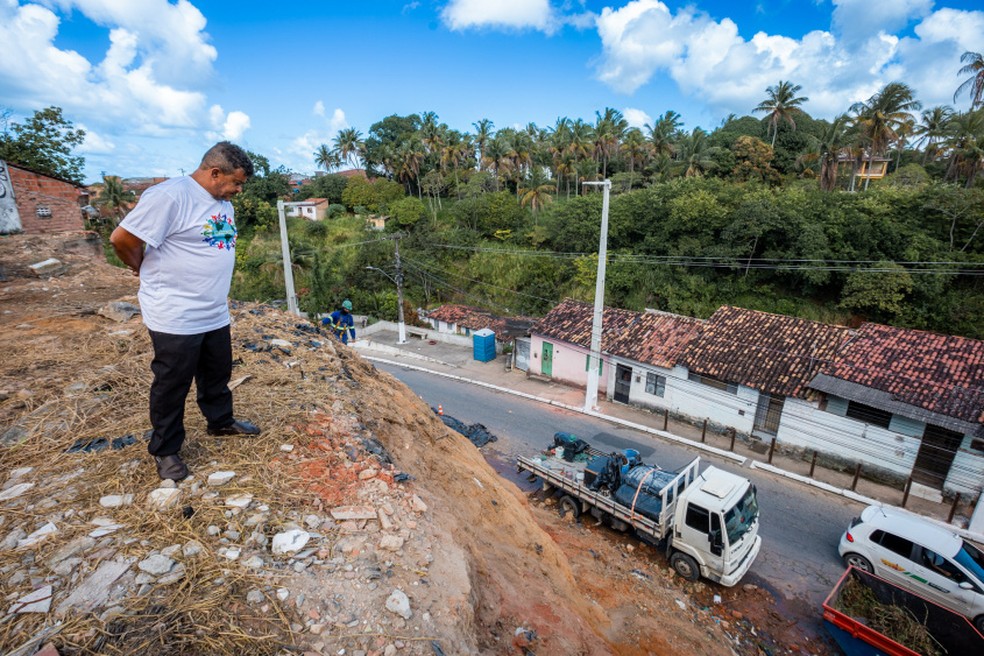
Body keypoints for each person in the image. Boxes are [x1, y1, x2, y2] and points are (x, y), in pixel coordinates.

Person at [110, 141, 261, 482]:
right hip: (175, 312)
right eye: (236, 183)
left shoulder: (222, 202)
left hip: (213, 309)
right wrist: (140, 268)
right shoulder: (171, 196)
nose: (238, 190)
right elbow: (122, 239)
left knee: (216, 373)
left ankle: (220, 422)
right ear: (215, 172)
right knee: (172, 383)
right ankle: (166, 450)